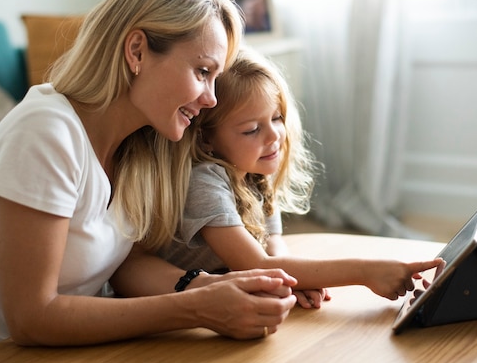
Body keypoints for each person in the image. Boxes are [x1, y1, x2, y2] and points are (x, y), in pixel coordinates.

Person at [0, 0, 299, 363]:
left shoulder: (141, 145)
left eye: (216, 78)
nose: (211, 99)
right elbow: (31, 318)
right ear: (136, 51)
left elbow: (126, 262)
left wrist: (213, 286)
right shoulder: (46, 132)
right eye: (203, 72)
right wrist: (196, 307)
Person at [159, 47, 443, 309]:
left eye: (277, 118)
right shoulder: (204, 183)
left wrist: (294, 282)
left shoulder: (253, 174)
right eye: (251, 130)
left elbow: (274, 248)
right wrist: (365, 272)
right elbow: (257, 263)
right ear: (207, 138)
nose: (274, 136)